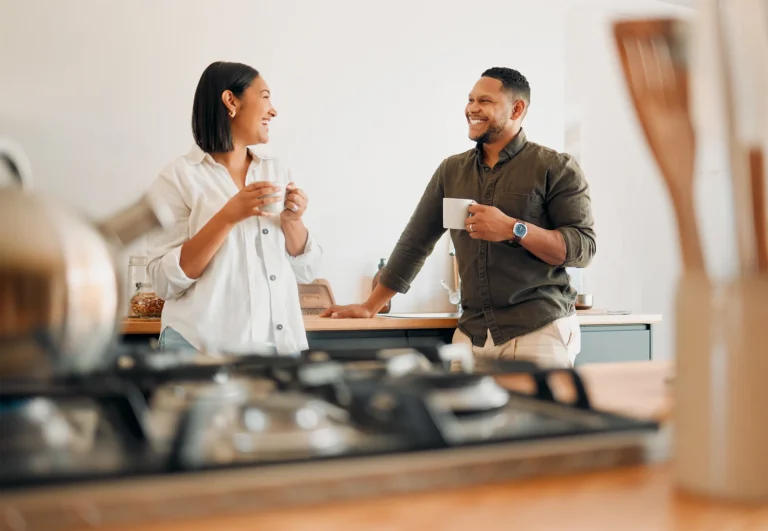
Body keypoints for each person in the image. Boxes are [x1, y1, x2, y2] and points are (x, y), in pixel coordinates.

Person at [321, 67, 595, 368]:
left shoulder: (555, 167)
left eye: (485, 101)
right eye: (470, 100)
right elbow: (415, 242)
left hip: (539, 332)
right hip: (471, 335)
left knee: (537, 417)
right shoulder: (451, 171)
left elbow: (582, 249)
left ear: (517, 109)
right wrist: (370, 306)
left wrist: (514, 229)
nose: (472, 109)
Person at [146, 61, 322, 355]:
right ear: (231, 101)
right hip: (199, 351)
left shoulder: (276, 171)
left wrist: (293, 221)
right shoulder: (179, 176)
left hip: (279, 352)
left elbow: (308, 271)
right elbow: (164, 283)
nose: (273, 110)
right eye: (265, 97)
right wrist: (228, 217)